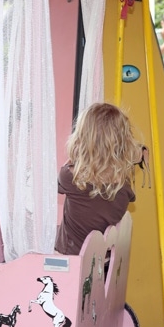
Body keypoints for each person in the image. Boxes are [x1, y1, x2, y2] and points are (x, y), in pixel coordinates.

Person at [55, 102, 143, 255]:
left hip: (70, 259)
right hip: (104, 260)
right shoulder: (124, 185)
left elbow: (62, 177)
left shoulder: (71, 178)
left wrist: (78, 155)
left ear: (82, 139)